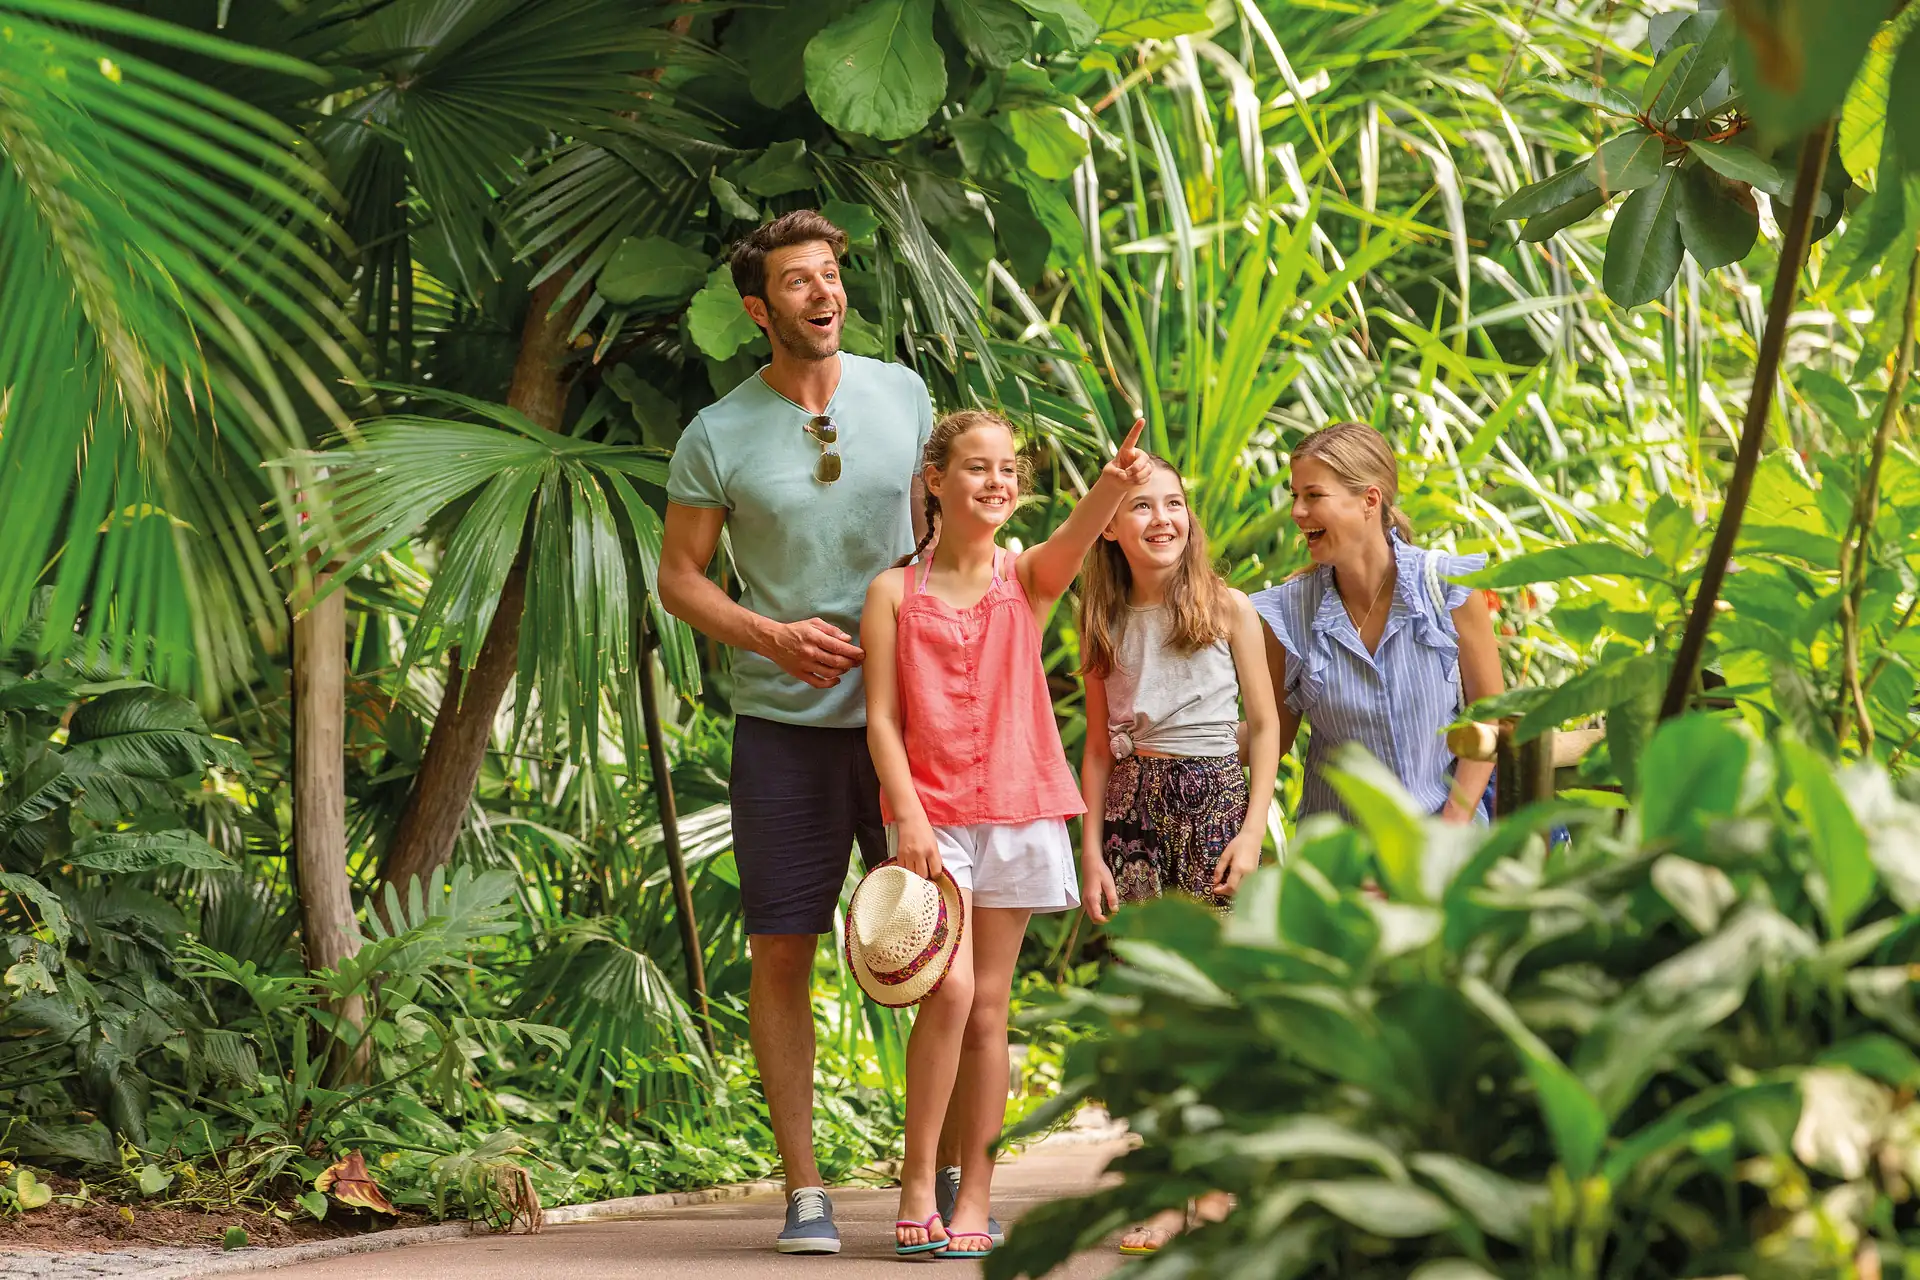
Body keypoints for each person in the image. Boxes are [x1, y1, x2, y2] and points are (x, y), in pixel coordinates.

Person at [657, 209, 937, 1256]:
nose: (823, 293)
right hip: (781, 728)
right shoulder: (715, 433)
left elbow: (944, 540)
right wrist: (770, 634)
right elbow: (680, 578)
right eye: (797, 280)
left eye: (830, 275)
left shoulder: (904, 395)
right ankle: (806, 1189)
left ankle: (936, 1173)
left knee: (938, 939)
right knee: (783, 950)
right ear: (756, 308)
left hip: (907, 720)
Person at [863, 412, 1154, 1259]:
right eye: (976, 467)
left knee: (991, 1007)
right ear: (936, 481)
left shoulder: (1024, 579)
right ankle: (919, 1179)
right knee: (948, 993)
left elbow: (1074, 539)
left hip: (1022, 810)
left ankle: (974, 1198)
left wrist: (1113, 484)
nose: (996, 482)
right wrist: (907, 813)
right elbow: (881, 719)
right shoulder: (892, 594)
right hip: (933, 820)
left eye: (1007, 469)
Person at [1075, 455, 1281, 1255]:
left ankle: (1219, 1190)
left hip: (1215, 802)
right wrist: (1091, 851)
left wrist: (1252, 831)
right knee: (1152, 1007)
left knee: (1219, 1001)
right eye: (1140, 506)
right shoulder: (1101, 616)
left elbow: (1264, 726)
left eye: (1173, 504)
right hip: (1133, 810)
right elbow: (1098, 748)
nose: (1162, 519)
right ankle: (1164, 1191)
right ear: (1110, 527)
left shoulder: (1226, 606)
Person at [1249, 422, 1503, 827]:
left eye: (1313, 495)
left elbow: (1489, 716)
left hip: (1447, 842)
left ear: (1370, 500)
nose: (1297, 511)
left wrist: (1453, 824)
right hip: (1341, 854)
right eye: (1295, 495)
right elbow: (1270, 735)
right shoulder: (1290, 612)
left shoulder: (1448, 589)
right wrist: (1171, 738)